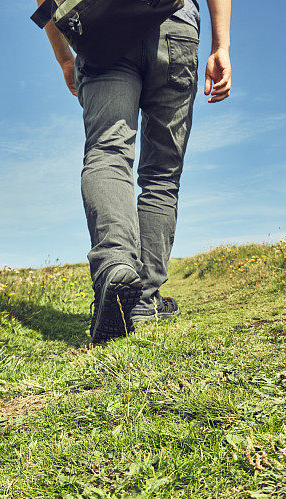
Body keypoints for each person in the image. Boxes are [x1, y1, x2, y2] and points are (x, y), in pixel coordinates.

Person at [37, 0, 232, 342]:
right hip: (175, 25)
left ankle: (115, 264)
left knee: (107, 151)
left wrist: (65, 57)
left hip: (100, 26)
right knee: (161, 175)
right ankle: (144, 300)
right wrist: (221, 46)